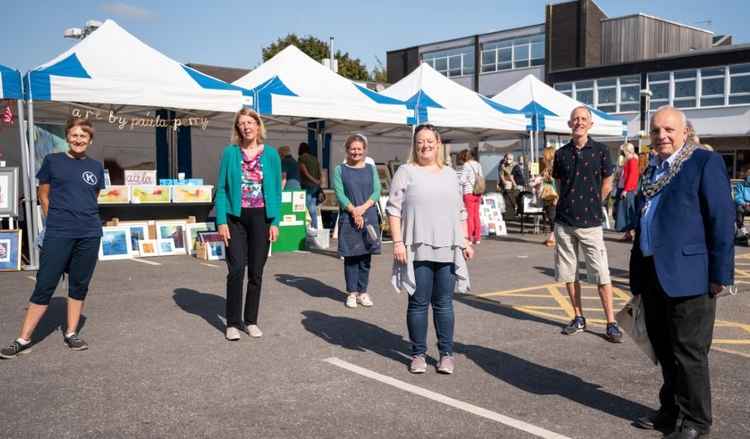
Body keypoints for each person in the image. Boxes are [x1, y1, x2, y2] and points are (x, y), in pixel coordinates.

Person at [630, 106, 734, 438]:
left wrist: (721, 274)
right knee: (664, 349)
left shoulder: (704, 162)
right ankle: (671, 409)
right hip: (652, 273)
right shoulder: (652, 169)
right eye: (656, 130)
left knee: (688, 353)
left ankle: (696, 422)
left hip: (691, 275)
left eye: (669, 130)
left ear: (685, 132)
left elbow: (721, 220)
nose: (662, 136)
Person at [1, 118, 105, 359]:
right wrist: (55, 221)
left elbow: (92, 196)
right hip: (58, 232)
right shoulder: (53, 161)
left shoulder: (96, 166)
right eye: (75, 135)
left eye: (84, 136)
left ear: (90, 140)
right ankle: (23, 338)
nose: (79, 140)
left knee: (79, 284)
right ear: (67, 136)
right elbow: (43, 196)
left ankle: (71, 333)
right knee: (45, 284)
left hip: (89, 232)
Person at [388, 124, 474, 375]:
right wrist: (397, 242)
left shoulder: (450, 174)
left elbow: (460, 211)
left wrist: (466, 241)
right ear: (414, 146)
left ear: (438, 144)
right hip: (416, 247)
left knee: (444, 303)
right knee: (418, 302)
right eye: (419, 142)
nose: (424, 146)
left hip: (448, 246)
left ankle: (446, 354)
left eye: (429, 141)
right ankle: (417, 354)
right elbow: (393, 209)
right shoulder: (406, 171)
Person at [552, 106, 623, 343]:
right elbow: (560, 185)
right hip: (565, 222)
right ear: (569, 124)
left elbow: (607, 183)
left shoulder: (601, 151)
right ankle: (578, 317)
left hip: (591, 222)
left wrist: (594, 203)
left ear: (590, 124)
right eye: (575, 119)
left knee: (601, 274)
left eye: (583, 119)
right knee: (569, 274)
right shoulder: (561, 154)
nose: (579, 123)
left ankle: (611, 322)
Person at [215, 108, 281, 341]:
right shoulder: (230, 153)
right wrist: (221, 220)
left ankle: (250, 321)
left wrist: (275, 221)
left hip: (261, 217)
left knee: (256, 271)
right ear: (237, 129)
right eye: (241, 123)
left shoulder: (271, 155)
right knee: (235, 269)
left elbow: (276, 190)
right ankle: (232, 323)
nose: (246, 126)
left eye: (250, 122)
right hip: (235, 217)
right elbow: (221, 188)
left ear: (258, 125)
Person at [333, 134, 382, 309]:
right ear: (347, 150)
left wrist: (362, 209)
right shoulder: (340, 169)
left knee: (366, 257)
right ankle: (352, 293)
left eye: (359, 149)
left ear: (364, 150)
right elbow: (340, 194)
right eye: (353, 149)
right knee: (351, 257)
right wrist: (354, 211)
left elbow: (377, 191)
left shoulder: (371, 168)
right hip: (349, 218)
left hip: (368, 217)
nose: (356, 152)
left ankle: (363, 292)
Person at [456, 149, 483, 245]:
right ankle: (478, 237)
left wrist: (456, 180)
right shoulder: (478, 164)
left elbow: (462, 180)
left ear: (463, 157)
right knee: (476, 215)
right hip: (478, 192)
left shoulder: (466, 165)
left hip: (469, 192)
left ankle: (470, 237)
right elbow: (481, 177)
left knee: (469, 216)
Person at [614, 142, 639, 241]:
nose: (622, 153)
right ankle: (628, 234)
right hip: (624, 188)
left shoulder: (632, 160)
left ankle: (630, 233)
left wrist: (626, 190)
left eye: (623, 151)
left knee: (627, 213)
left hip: (627, 190)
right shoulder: (629, 160)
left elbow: (632, 176)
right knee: (624, 213)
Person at [298, 142, 322, 230]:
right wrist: (319, 181)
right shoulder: (314, 158)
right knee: (313, 206)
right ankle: (314, 227)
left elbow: (304, 171)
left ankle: (309, 228)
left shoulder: (302, 158)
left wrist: (313, 180)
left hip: (306, 184)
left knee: (307, 208)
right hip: (315, 186)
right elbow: (320, 170)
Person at [537, 146, 558, 247]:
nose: (543, 157)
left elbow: (557, 182)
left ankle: (553, 237)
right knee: (550, 216)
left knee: (553, 216)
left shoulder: (555, 167)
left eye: (545, 155)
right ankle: (553, 236)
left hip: (553, 195)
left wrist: (557, 198)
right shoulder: (547, 167)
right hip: (547, 195)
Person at [734, 168, 750, 237]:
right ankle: (742, 230)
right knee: (739, 208)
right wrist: (745, 203)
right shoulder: (740, 185)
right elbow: (737, 197)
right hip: (744, 205)